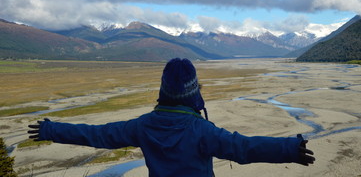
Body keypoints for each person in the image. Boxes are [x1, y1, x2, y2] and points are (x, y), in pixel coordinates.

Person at [28, 58, 315, 177]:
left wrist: (51, 129)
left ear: (164, 90)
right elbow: (242, 148)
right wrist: (288, 148)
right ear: (193, 94)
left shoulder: (142, 126)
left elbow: (97, 135)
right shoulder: (201, 130)